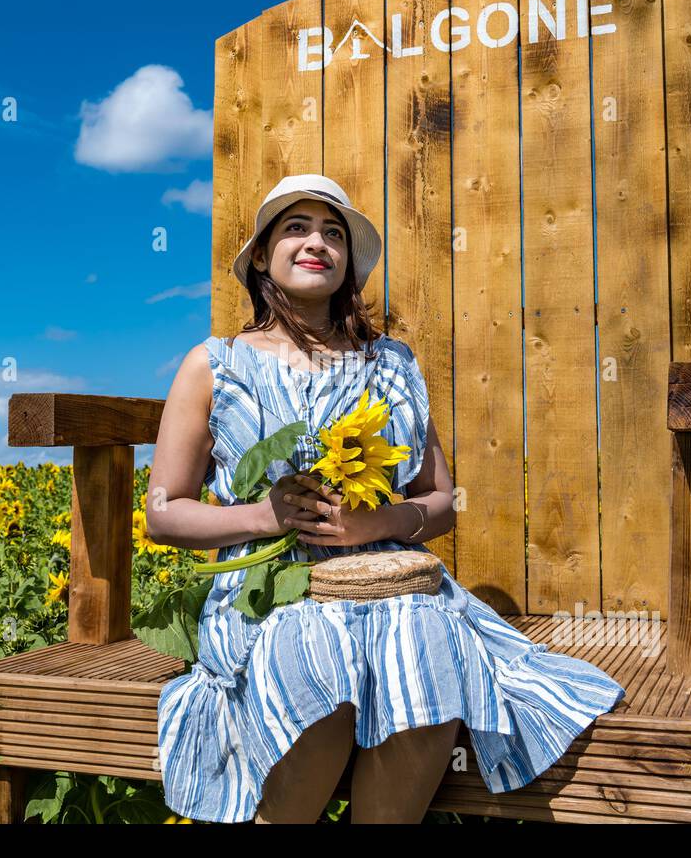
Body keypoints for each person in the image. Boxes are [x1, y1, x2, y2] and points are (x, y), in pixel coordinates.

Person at [148, 174, 626, 823]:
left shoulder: (391, 363)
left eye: (333, 231)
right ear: (261, 255)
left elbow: (442, 499)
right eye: (296, 226)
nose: (316, 241)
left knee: (429, 651)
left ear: (347, 260)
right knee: (316, 661)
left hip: (392, 580)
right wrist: (266, 515)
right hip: (269, 590)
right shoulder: (216, 364)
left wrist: (375, 521)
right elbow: (164, 509)